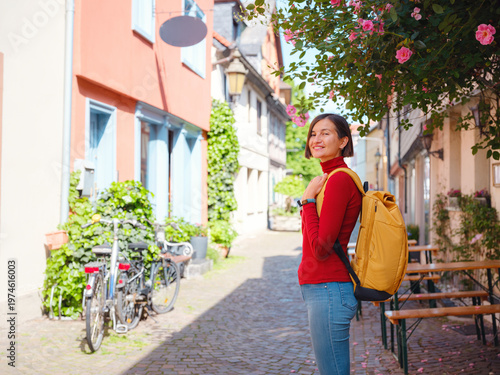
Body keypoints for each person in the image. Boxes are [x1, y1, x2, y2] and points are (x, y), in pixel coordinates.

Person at [297, 113, 362, 375]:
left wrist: (307, 201)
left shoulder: (339, 179)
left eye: (326, 133)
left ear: (344, 140)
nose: (317, 139)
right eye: (313, 133)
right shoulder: (327, 179)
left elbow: (322, 247)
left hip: (329, 288)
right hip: (324, 287)